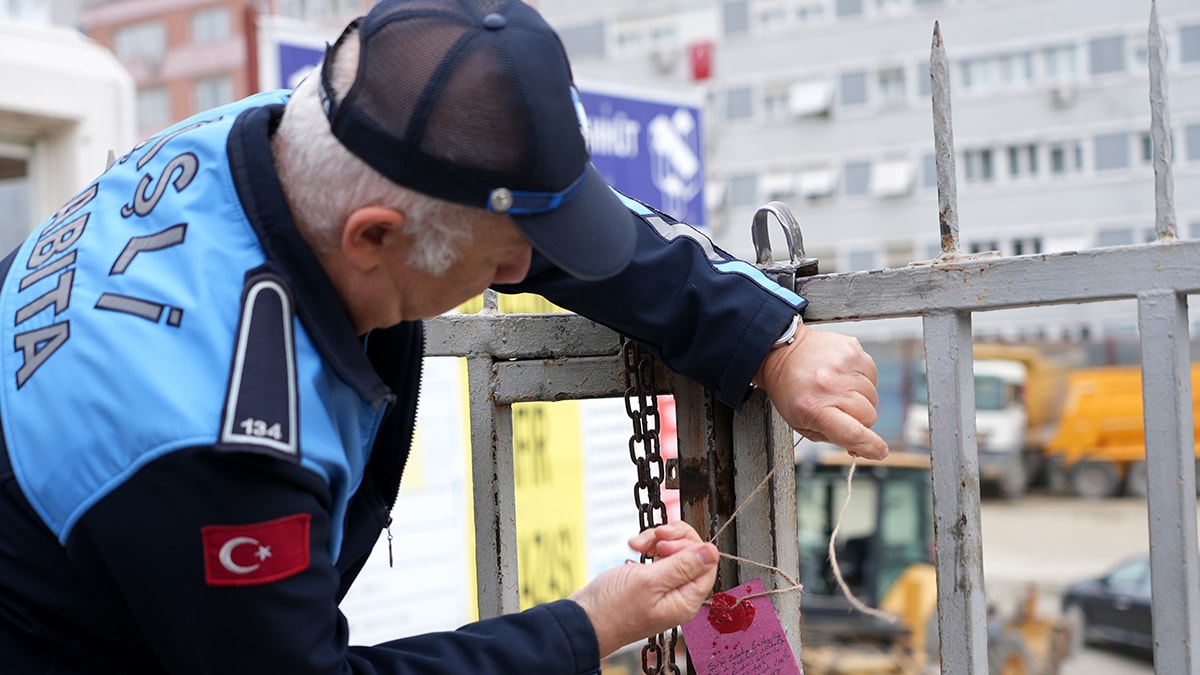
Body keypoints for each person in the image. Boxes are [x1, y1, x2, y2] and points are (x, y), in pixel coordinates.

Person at [0, 0, 886, 673]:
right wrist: (588, 624)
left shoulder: (300, 134)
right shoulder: (223, 443)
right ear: (374, 238)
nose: (516, 277)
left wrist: (770, 335)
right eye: (502, 267)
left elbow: (516, 212)